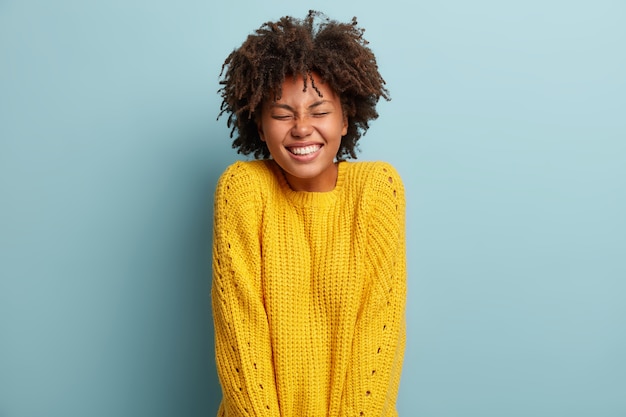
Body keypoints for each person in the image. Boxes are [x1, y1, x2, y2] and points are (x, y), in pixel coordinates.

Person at [211, 10, 406, 417]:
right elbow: (239, 332)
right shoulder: (243, 190)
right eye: (282, 114)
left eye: (319, 112)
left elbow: (379, 335)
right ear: (260, 126)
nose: (301, 128)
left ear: (345, 118)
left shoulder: (377, 189)